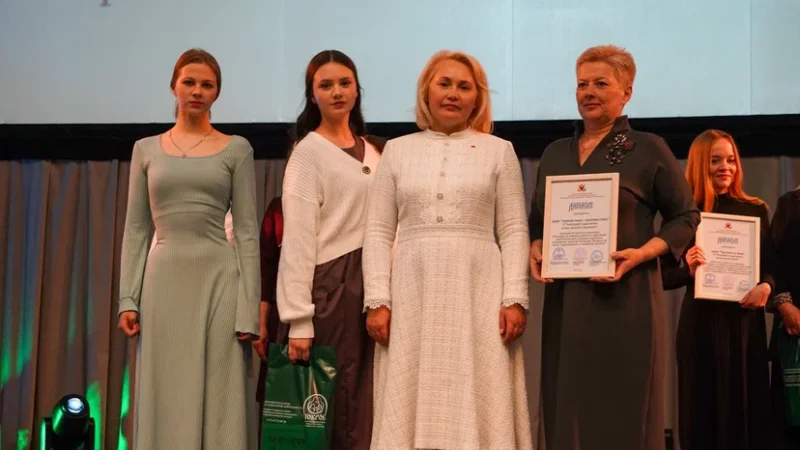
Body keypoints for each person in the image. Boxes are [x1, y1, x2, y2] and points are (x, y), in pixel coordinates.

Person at [528, 45, 700, 450]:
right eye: (582, 84)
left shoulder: (648, 148)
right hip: (567, 301)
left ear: (627, 92)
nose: (588, 92)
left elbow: (685, 216)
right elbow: (538, 220)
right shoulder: (555, 153)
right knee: (567, 405)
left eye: (601, 83)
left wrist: (643, 253)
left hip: (627, 298)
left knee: (624, 407)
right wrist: (535, 246)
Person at [362, 49, 533, 449]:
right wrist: (377, 300)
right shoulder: (397, 150)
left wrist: (515, 298)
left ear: (477, 98)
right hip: (411, 291)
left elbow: (512, 229)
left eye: (464, 86)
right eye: (444, 84)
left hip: (479, 292)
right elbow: (378, 231)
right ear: (426, 91)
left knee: (478, 388)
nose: (453, 94)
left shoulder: (499, 150)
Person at [117, 48, 260, 449]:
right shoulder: (145, 149)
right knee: (165, 390)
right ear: (174, 87)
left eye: (207, 84)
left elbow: (247, 231)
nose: (197, 91)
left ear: (217, 92)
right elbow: (136, 228)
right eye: (189, 82)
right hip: (162, 280)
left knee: (222, 395)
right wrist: (128, 298)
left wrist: (249, 307)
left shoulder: (237, 149)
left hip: (220, 280)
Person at [274, 49, 384, 450]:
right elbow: (298, 239)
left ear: (357, 89)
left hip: (375, 281)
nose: (337, 92)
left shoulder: (376, 150)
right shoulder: (308, 153)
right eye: (326, 85)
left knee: (369, 398)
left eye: (344, 83)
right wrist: (299, 320)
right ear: (312, 95)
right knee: (337, 402)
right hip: (334, 285)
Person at [660, 129, 775, 450]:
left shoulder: (755, 209)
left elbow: (771, 267)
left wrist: (767, 286)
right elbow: (661, 277)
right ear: (700, 164)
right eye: (715, 160)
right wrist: (687, 271)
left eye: (731, 160)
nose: (726, 167)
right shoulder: (684, 215)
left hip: (744, 327)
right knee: (701, 415)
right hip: (700, 327)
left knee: (746, 415)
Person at [766, 186, 800, 449]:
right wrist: (785, 305)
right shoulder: (790, 203)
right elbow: (771, 257)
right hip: (793, 326)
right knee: (789, 419)